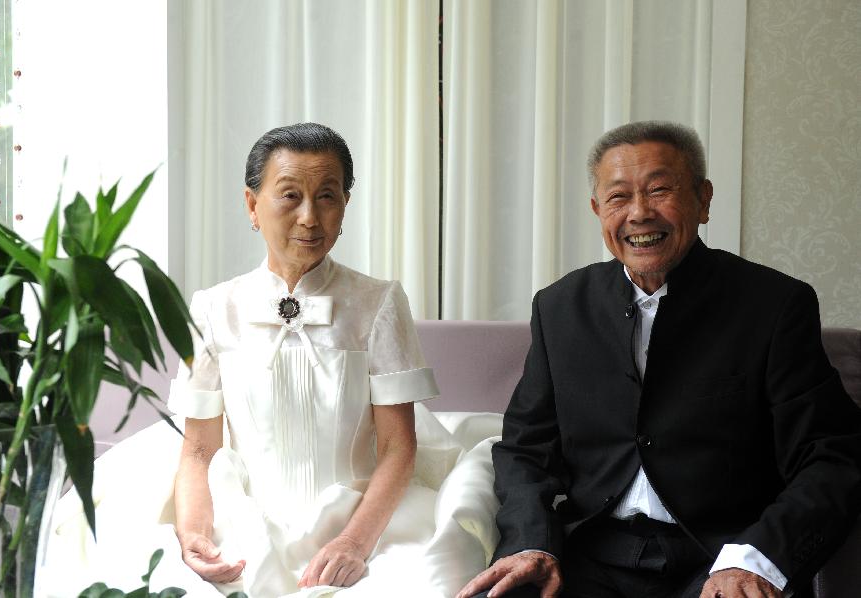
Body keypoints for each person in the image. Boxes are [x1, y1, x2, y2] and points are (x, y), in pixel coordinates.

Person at [43, 123, 501, 597]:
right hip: (242, 519)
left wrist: (353, 543)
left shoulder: (379, 302)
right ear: (252, 205)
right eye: (289, 196)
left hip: (368, 522)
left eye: (328, 196)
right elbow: (199, 450)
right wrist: (194, 535)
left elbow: (397, 448)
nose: (309, 217)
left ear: (345, 207)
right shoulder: (213, 308)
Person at [457, 121, 861, 598]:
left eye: (660, 190)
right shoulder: (559, 307)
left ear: (703, 200)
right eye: (618, 197)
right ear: (597, 210)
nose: (640, 214)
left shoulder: (774, 305)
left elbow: (833, 454)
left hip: (722, 556)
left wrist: (756, 558)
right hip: (589, 553)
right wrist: (531, 543)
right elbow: (525, 449)